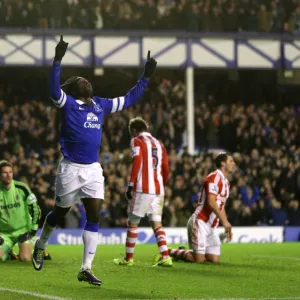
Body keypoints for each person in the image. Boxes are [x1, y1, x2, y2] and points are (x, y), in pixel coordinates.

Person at [32, 36, 157, 286]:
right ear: (76, 89)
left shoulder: (100, 105)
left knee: (94, 215)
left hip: (92, 170)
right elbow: (54, 89)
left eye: (86, 80)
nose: (86, 81)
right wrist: (57, 59)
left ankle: (86, 268)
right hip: (69, 169)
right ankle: (40, 244)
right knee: (59, 213)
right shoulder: (67, 104)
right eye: (81, 81)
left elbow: (129, 99)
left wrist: (145, 77)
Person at [113, 117, 172, 267]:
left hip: (143, 188)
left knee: (132, 223)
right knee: (156, 223)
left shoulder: (137, 140)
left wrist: (131, 184)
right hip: (158, 189)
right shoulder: (159, 144)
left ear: (134, 130)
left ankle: (129, 259)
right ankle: (165, 256)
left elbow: (137, 159)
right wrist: (162, 186)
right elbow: (166, 169)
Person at [167, 153, 235, 264]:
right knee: (198, 260)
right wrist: (225, 221)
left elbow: (220, 206)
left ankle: (188, 251)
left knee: (214, 260)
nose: (234, 163)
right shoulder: (214, 177)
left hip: (211, 227)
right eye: (231, 161)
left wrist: (226, 223)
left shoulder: (226, 183)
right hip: (200, 222)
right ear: (223, 163)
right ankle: (168, 252)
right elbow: (211, 202)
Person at [0, 160, 40, 262]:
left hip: (23, 231)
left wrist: (33, 230)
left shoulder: (22, 188)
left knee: (25, 258)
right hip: (5, 234)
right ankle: (9, 254)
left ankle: (39, 250)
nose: (8, 175)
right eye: (5, 172)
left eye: (10, 172)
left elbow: (35, 208)